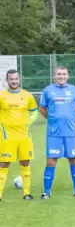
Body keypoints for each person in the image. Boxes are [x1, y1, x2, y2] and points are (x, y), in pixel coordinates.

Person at [39, 66, 75, 199]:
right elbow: (42, 108)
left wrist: (73, 118)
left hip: (71, 132)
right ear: (54, 76)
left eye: (64, 74)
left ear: (68, 76)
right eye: (59, 74)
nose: (61, 76)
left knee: (74, 159)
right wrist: (52, 119)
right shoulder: (48, 91)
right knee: (51, 161)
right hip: (54, 133)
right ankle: (47, 192)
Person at [0, 70, 38, 201]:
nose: (14, 81)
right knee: (4, 164)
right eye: (11, 79)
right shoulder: (1, 95)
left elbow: (34, 112)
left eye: (16, 79)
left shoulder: (27, 96)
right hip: (7, 136)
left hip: (23, 135)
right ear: (7, 80)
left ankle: (26, 193)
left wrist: (27, 123)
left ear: (19, 79)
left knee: (25, 162)